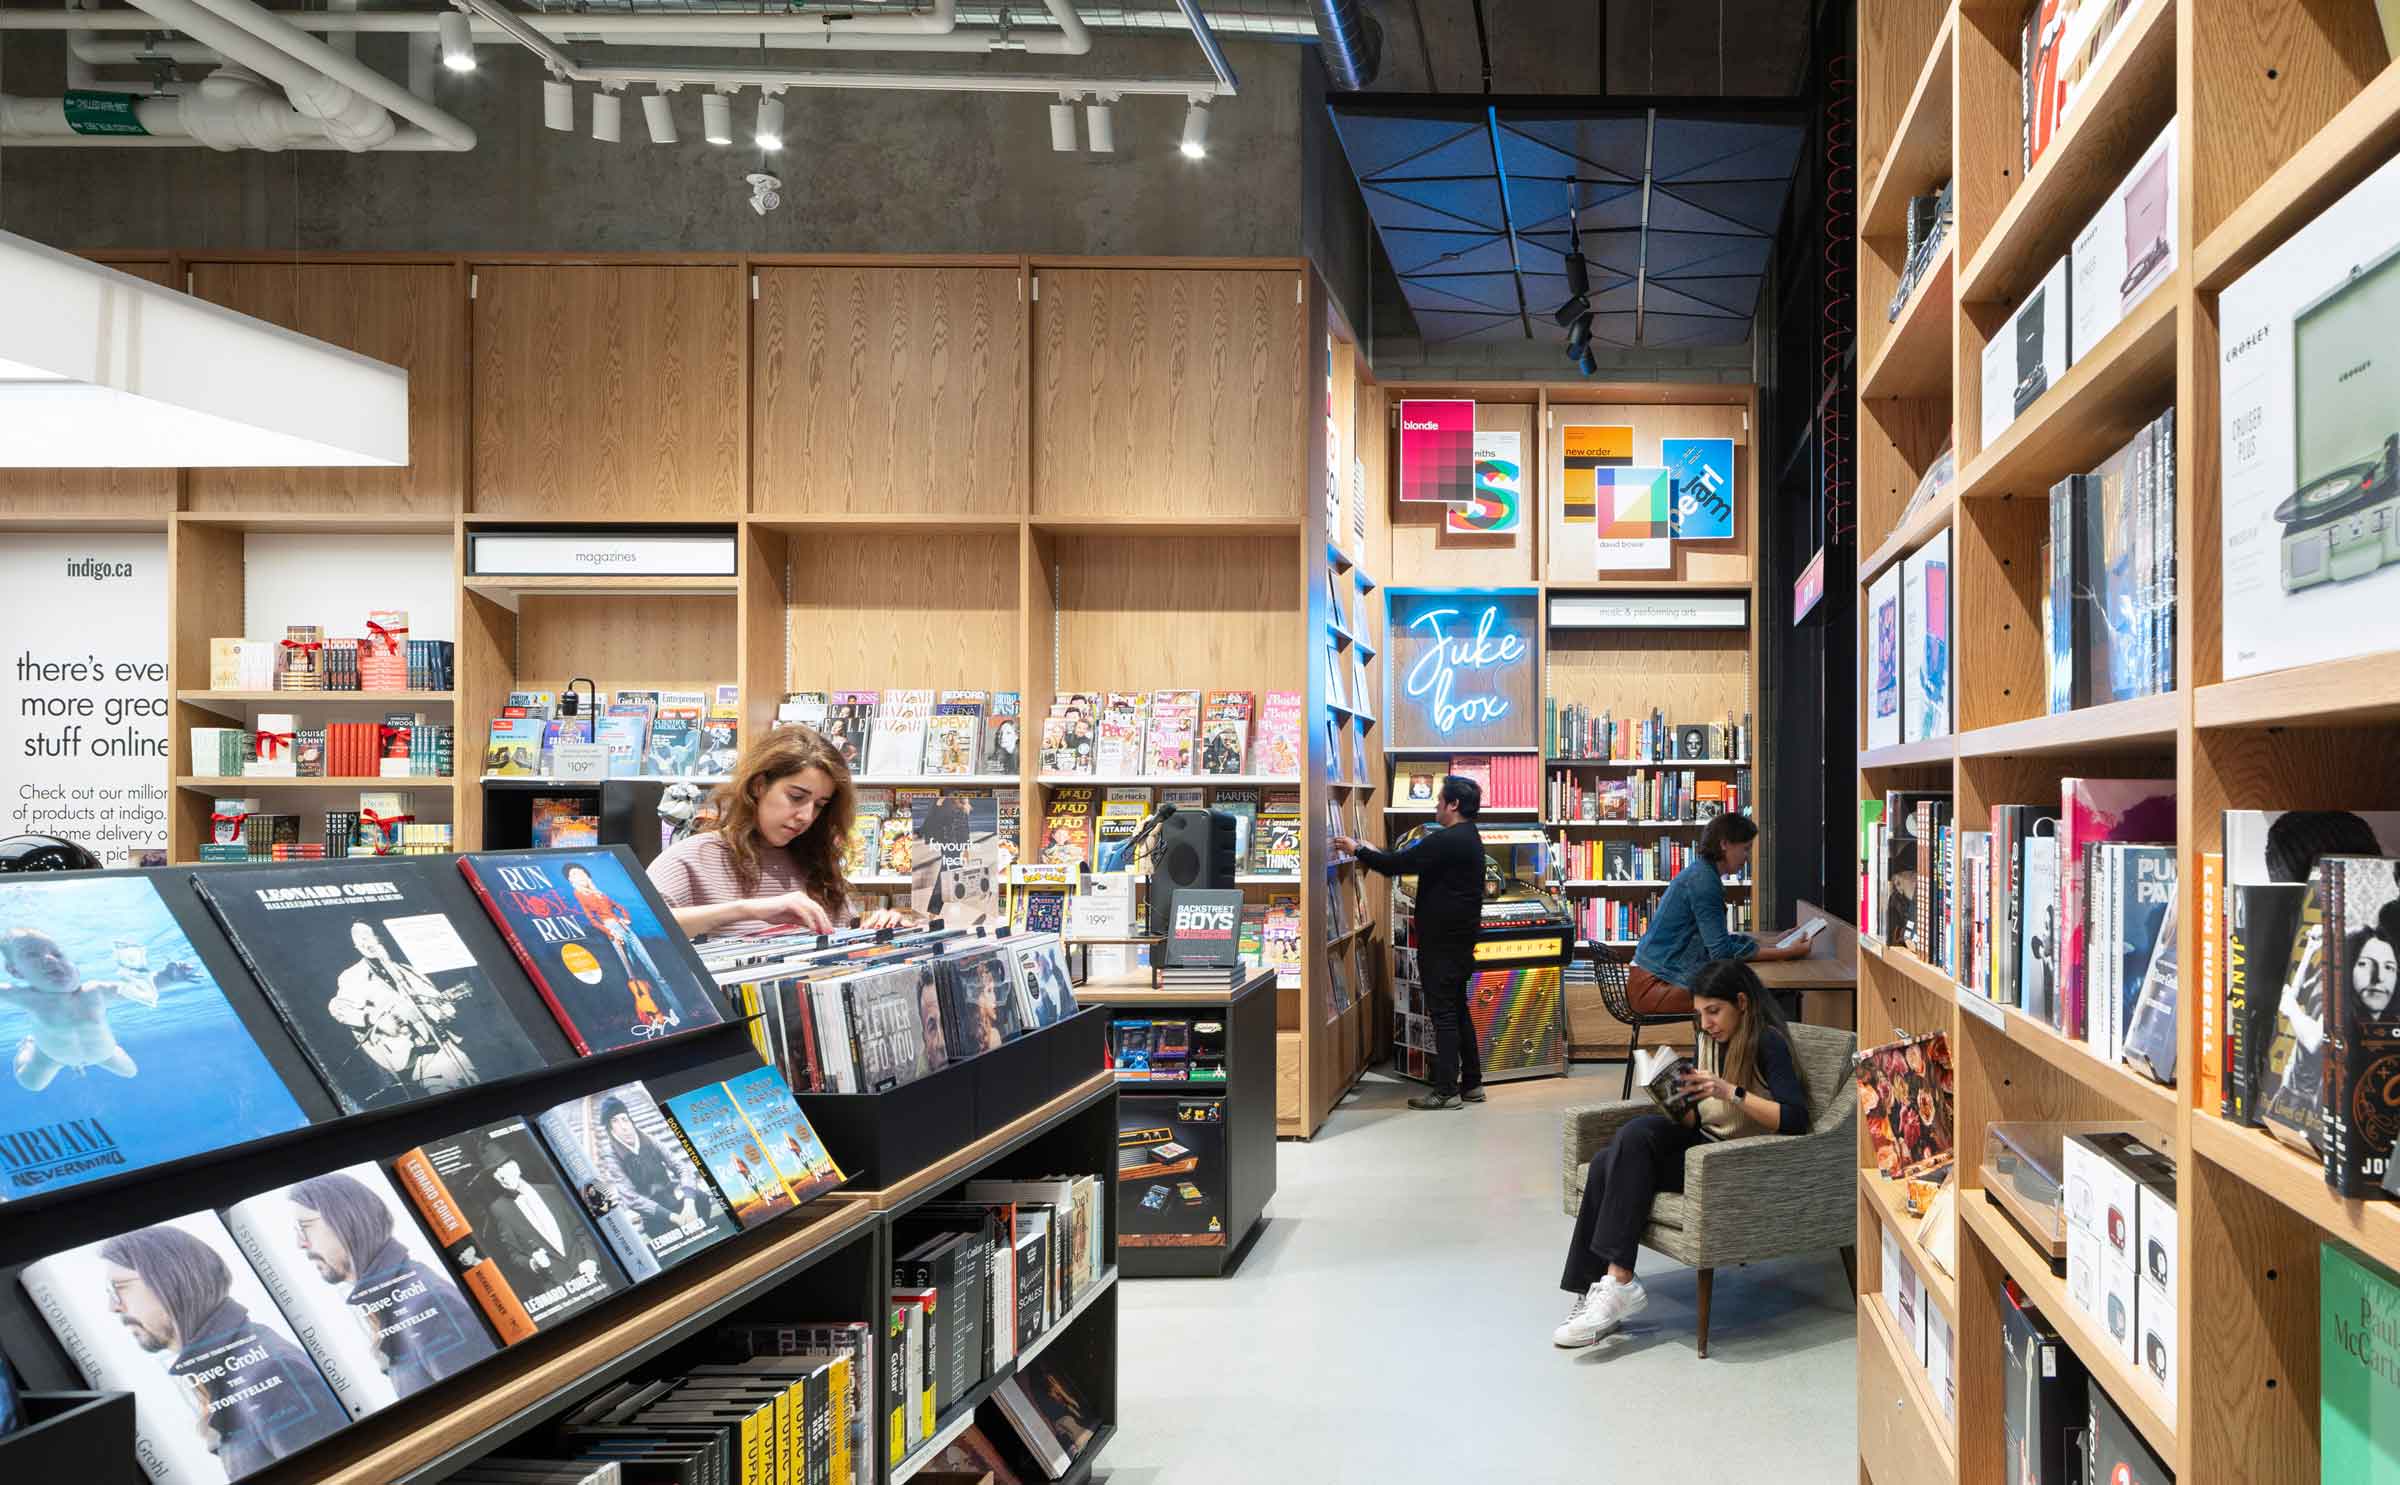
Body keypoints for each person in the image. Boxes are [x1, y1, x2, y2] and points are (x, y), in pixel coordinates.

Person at [1553, 959, 1811, 1349]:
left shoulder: (1766, 1041)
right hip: (1702, 1143)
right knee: (1613, 1155)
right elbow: (1695, 1121)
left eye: (1714, 1011)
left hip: (1732, 1161)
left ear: (1741, 1002)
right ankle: (1598, 1291)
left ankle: (1616, 1284)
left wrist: (1730, 1092)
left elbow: (1795, 1119)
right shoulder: (1709, 1038)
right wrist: (1675, 1098)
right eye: (1700, 1013)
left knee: (1624, 1149)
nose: (1706, 1022)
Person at [101, 1223, 346, 1473]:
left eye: (119, 1289)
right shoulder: (232, 1363)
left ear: (170, 1281)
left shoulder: (270, 1372)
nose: (113, 1306)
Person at [649, 725, 910, 938]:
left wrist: (879, 926)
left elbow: (841, 936)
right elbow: (632, 928)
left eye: (820, 805)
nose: (806, 816)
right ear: (759, 786)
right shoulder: (693, 857)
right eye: (796, 797)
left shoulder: (813, 862)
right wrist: (746, 910)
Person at [1332, 774, 1488, 1110]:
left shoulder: (1447, 840)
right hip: (1459, 942)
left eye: (1439, 800)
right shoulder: (1468, 837)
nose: (1435, 805)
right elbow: (1402, 859)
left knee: (1444, 1014)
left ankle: (1445, 1090)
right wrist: (1375, 852)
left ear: (1453, 805)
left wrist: (1357, 849)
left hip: (1442, 943)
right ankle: (1472, 1083)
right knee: (1458, 1009)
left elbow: (1396, 865)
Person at [289, 1171, 491, 1395]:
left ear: (346, 1220)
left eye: (304, 1227)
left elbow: (486, 1405)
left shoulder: (427, 1303)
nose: (300, 1244)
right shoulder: (393, 1299)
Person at [1627, 813, 1810, 1016]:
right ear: (1725, 844)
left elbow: (1716, 941)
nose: (1747, 857)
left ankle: (1727, 1049)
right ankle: (1735, 1049)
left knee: (1745, 992)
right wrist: (1785, 953)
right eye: (1745, 848)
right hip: (1654, 987)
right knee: (1744, 998)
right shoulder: (1704, 882)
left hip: (1658, 978)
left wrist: (1773, 944)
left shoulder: (1703, 874)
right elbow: (1721, 952)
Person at [329, 919, 477, 1097]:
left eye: (370, 936)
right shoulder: (353, 976)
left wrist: (445, 1011)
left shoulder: (407, 970)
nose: (366, 942)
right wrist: (374, 1018)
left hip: (438, 1043)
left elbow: (436, 1002)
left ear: (381, 937)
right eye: (360, 938)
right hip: (404, 1049)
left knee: (471, 1081)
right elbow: (337, 1008)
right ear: (355, 945)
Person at [594, 1093, 712, 1242]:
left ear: (630, 1120)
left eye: (624, 1119)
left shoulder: (649, 1139)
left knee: (701, 1199)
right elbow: (631, 1198)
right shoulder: (611, 1156)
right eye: (615, 1121)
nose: (623, 1126)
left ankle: (697, 1229)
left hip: (673, 1198)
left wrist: (689, 1203)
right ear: (610, 1128)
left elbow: (681, 1167)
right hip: (656, 1214)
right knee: (660, 1231)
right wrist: (675, 1218)